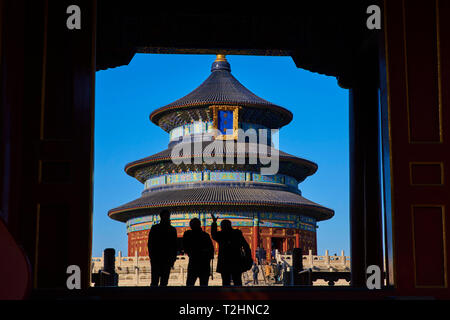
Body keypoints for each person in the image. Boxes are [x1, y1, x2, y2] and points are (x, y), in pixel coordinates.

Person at [210, 213, 252, 286]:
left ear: (222, 226)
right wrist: (248, 257)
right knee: (237, 280)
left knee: (226, 281)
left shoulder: (221, 235)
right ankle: (239, 296)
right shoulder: (237, 233)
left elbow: (213, 235)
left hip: (224, 261)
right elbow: (246, 246)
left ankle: (226, 296)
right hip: (236, 261)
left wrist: (214, 223)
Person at [147, 209, 177, 286]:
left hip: (167, 259)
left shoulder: (172, 230)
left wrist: (173, 259)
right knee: (155, 281)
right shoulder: (155, 228)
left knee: (164, 281)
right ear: (161, 216)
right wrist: (152, 256)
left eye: (168, 216)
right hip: (157, 258)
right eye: (165, 216)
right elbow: (150, 243)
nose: (167, 217)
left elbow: (175, 245)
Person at [182, 218, 214, 286]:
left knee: (193, 284)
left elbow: (211, 249)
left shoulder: (189, 234)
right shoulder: (204, 235)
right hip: (200, 263)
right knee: (197, 284)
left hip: (199, 263)